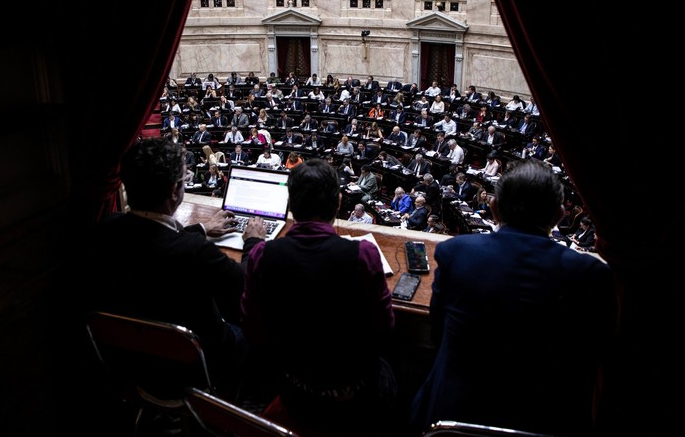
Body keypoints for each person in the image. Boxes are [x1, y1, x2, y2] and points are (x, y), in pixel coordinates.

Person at [409, 160, 616, 436]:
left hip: (451, 415)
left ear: (494, 209)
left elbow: (437, 330)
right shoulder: (591, 274)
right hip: (548, 421)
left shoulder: (456, 252)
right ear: (558, 216)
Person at [86, 138, 266, 399]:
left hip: (132, 364)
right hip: (195, 369)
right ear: (174, 191)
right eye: (185, 178)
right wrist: (253, 242)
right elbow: (245, 282)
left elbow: (151, 239)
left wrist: (202, 229)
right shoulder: (194, 252)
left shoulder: (106, 227)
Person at [241, 159, 396, 434]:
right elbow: (384, 327)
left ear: (290, 202)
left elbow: (253, 328)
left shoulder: (261, 255)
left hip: (293, 386)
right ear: (338, 202)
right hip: (356, 389)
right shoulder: (363, 255)